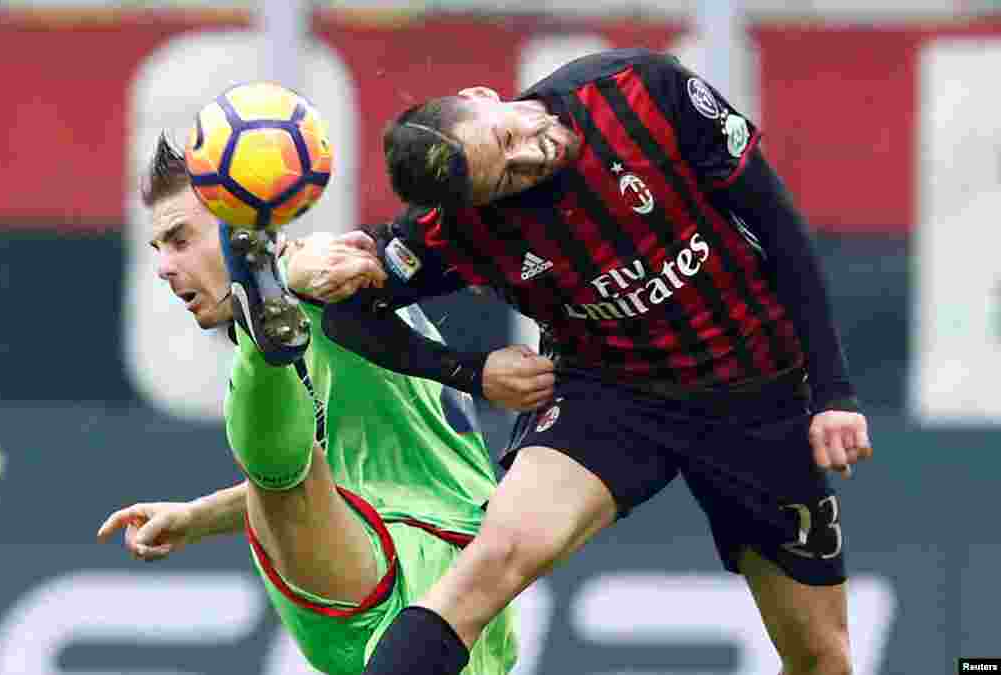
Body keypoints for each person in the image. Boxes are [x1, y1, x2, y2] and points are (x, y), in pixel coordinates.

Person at [301, 49, 873, 675]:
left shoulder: (639, 91)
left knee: (821, 657)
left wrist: (833, 391)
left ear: (483, 93)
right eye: (506, 177)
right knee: (487, 570)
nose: (530, 156)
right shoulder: (456, 228)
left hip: (757, 390)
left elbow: (780, 227)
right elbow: (348, 317)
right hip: (610, 395)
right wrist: (472, 371)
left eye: (509, 137)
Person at [96, 135, 538, 675]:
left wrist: (295, 273)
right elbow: (339, 466)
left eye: (180, 239)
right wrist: (195, 518)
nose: (165, 266)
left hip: (413, 561)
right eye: (159, 249)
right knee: (292, 463)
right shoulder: (314, 327)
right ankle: (261, 327)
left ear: (240, 226)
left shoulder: (317, 270)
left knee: (282, 462)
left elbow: (332, 268)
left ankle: (260, 323)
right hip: (453, 584)